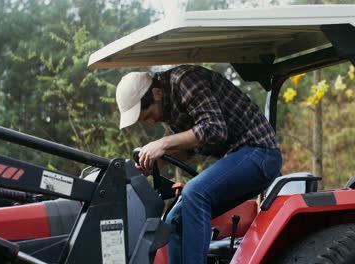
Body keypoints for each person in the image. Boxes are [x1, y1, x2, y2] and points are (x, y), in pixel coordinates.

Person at [116, 65, 282, 264]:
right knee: (175, 220)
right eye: (145, 121)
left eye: (149, 115)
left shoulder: (185, 80)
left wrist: (162, 143)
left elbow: (213, 129)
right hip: (238, 156)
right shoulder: (169, 106)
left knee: (195, 192)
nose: (151, 123)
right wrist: (154, 163)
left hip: (260, 152)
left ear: (156, 92)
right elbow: (189, 148)